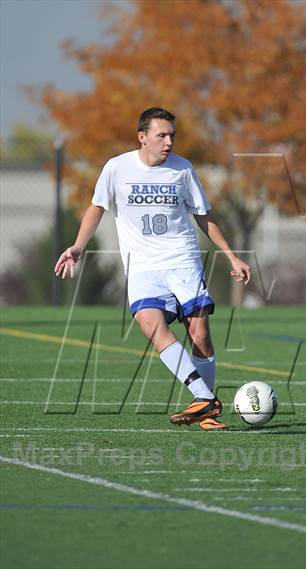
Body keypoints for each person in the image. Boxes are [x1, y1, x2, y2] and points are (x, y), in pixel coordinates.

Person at [54, 107, 251, 430]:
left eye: (172, 135)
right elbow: (97, 207)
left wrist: (232, 255)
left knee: (199, 334)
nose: (169, 141)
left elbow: (204, 215)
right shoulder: (117, 168)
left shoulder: (183, 169)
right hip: (143, 266)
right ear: (142, 137)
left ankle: (205, 409)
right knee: (150, 325)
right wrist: (78, 246)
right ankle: (205, 399)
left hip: (182, 261)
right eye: (162, 135)